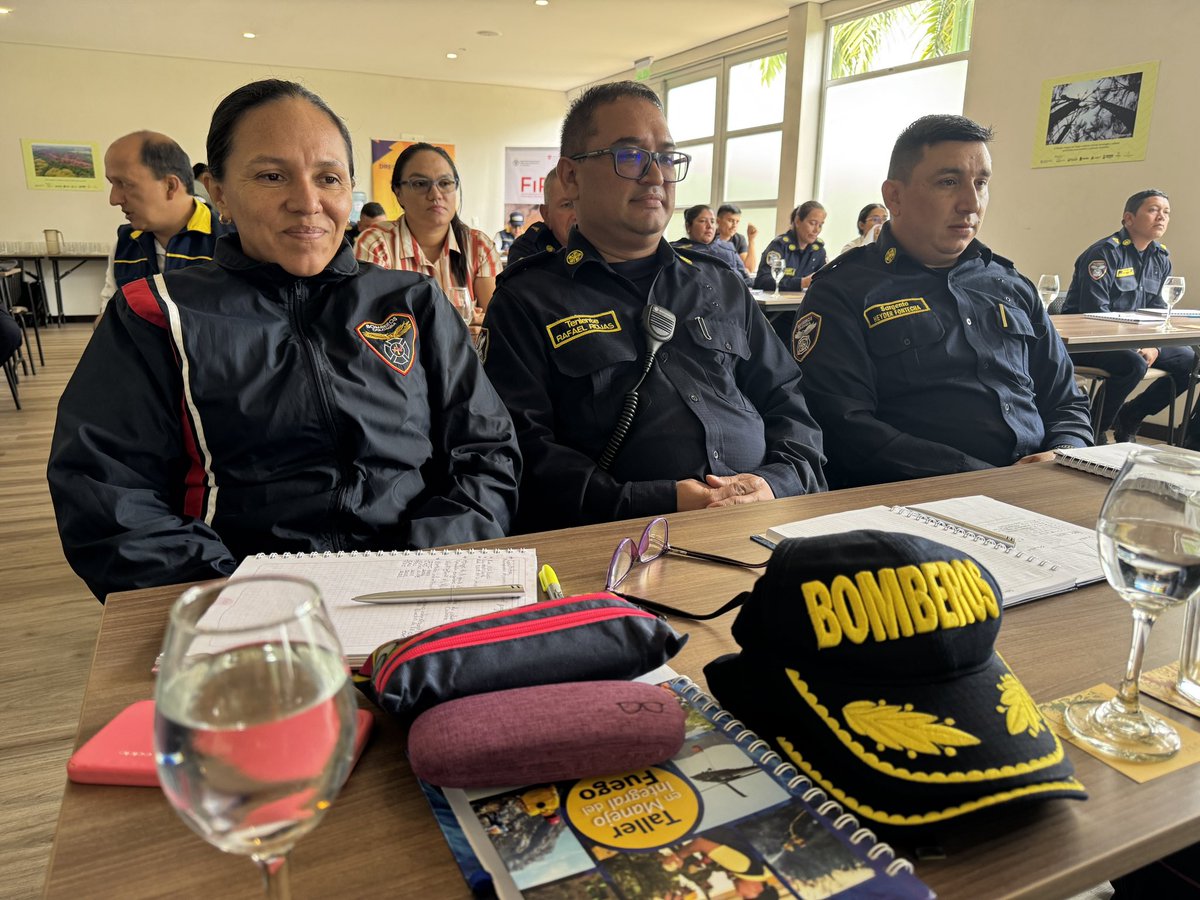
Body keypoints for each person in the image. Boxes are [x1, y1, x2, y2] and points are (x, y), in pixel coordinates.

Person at [48, 79, 521, 602]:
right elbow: (103, 490)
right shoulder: (155, 313)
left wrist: (419, 567)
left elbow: (485, 449)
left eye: (329, 178)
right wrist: (237, 597)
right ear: (220, 191)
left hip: (411, 593)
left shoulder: (411, 302)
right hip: (238, 607)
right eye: (272, 176)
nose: (307, 202)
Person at [480, 81, 825, 531]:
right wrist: (660, 501)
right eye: (629, 156)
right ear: (571, 176)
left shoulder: (719, 282)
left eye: (665, 157)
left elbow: (788, 403)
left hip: (766, 521)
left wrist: (775, 483)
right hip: (625, 544)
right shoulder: (529, 300)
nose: (655, 175)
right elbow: (524, 455)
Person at [791, 114, 1092, 489]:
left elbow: (1066, 401)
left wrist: (1063, 453)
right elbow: (844, 428)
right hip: (917, 498)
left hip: (1039, 487)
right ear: (894, 196)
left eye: (981, 183)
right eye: (949, 182)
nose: (971, 203)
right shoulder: (843, 291)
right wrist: (984, 479)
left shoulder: (1011, 284)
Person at [1061, 189, 1193, 444]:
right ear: (1129, 218)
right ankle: (1093, 430)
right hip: (1087, 340)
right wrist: (1138, 345)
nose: (1161, 217)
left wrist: (1152, 343)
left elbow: (1156, 310)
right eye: (1153, 210)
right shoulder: (1104, 254)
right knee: (1132, 364)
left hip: (1132, 341)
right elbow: (1095, 312)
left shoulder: (1160, 258)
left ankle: (1132, 414)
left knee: (1189, 360)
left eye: (1166, 212)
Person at [354, 142, 501, 318]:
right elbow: (371, 323)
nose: (436, 194)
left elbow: (496, 322)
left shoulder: (479, 247)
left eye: (445, 183)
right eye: (420, 184)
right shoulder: (377, 244)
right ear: (398, 192)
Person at [98, 131, 233, 316]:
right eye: (112, 184)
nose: (114, 199)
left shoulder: (231, 241)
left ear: (170, 186)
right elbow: (108, 316)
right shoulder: (125, 245)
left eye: (124, 183)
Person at [753, 201, 827, 292]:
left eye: (820, 225)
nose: (817, 230)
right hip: (777, 304)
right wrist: (801, 283)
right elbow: (762, 281)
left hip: (807, 303)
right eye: (812, 223)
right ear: (797, 221)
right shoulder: (779, 246)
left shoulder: (819, 251)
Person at [506, 168, 576, 264]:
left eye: (585, 204)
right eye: (567, 205)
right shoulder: (529, 249)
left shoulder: (601, 244)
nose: (577, 215)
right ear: (546, 214)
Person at [671, 204, 753, 286]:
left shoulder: (729, 247)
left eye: (712, 221)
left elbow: (746, 279)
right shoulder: (677, 251)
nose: (709, 226)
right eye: (703, 221)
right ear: (688, 226)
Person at [717, 203, 758, 273]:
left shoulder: (739, 239)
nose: (734, 225)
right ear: (718, 221)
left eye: (737, 221)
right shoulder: (708, 237)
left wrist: (751, 240)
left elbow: (749, 269)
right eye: (730, 220)